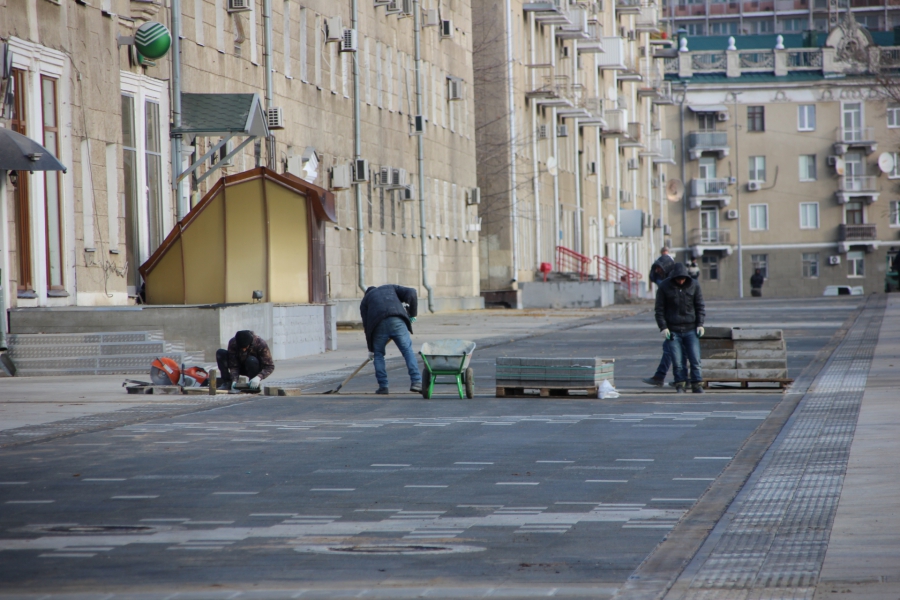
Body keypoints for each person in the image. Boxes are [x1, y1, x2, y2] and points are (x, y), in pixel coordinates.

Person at [360, 284, 423, 395]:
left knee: (378, 355)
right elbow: (412, 291)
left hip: (378, 324)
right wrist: (413, 314)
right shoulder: (390, 288)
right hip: (397, 320)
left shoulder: (365, 301)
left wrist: (371, 350)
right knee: (407, 351)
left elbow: (367, 327)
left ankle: (383, 387)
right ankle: (417, 381)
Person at [655, 263, 706, 394]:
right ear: (673, 278)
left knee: (695, 359)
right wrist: (663, 327)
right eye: (678, 279)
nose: (681, 281)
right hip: (673, 330)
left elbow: (699, 306)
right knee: (677, 361)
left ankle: (697, 384)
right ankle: (680, 384)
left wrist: (700, 324)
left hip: (691, 328)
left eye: (683, 279)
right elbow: (659, 310)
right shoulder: (664, 287)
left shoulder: (694, 285)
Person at [643, 253, 676, 387]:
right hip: (672, 320)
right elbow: (653, 277)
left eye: (660, 269)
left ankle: (664, 377)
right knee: (671, 350)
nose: (657, 271)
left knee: (672, 350)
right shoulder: (665, 282)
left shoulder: (671, 282)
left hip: (678, 322)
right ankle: (665, 376)